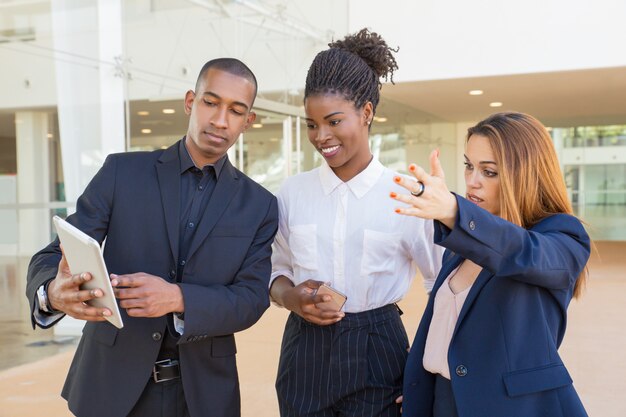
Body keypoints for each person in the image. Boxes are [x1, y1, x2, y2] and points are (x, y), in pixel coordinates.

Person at [26, 58, 278, 417]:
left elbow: (251, 299)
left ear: (248, 121)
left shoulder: (260, 205)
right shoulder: (121, 172)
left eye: (236, 111)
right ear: (191, 101)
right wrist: (51, 292)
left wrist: (177, 297)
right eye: (211, 102)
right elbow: (55, 253)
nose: (221, 120)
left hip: (204, 397)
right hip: (109, 388)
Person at [269, 28, 443, 417]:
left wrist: (425, 372)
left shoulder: (407, 194)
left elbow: (443, 288)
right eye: (312, 124)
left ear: (366, 113)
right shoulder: (292, 193)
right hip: (304, 351)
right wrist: (289, 297)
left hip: (380, 350)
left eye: (333, 121)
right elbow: (276, 269)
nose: (321, 136)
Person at [394, 112, 590, 416]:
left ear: (525, 174)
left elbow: (521, 252)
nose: (472, 182)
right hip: (444, 401)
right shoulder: (460, 245)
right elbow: (444, 328)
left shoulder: (562, 237)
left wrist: (453, 212)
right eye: (469, 166)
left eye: (489, 172)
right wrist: (420, 387)